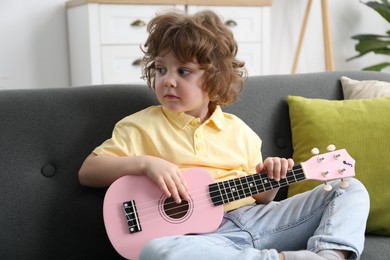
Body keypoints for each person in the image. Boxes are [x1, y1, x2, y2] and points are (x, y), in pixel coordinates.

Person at [78, 10, 370, 260]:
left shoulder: (239, 131)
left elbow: (262, 198)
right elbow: (88, 171)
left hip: (257, 222)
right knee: (158, 252)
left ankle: (330, 254)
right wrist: (145, 164)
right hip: (202, 240)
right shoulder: (140, 126)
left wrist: (272, 176)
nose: (167, 80)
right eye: (160, 68)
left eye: (183, 71)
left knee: (349, 188)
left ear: (215, 78)